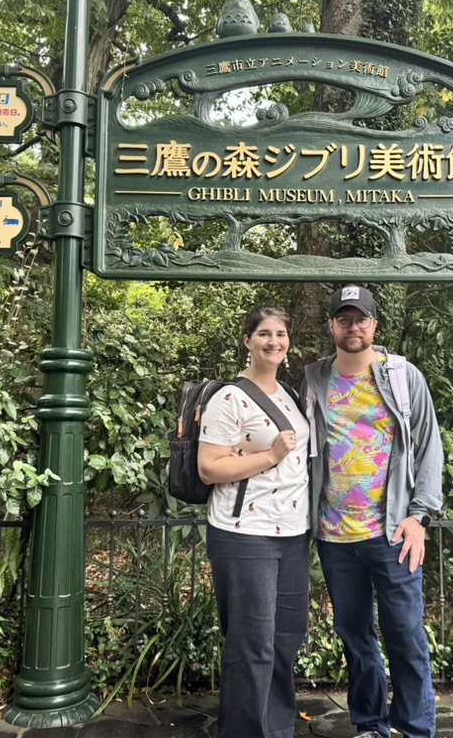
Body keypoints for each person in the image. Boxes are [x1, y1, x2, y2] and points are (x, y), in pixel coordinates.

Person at [302, 285, 444, 738]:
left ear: (374, 325)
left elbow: (428, 448)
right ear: (332, 326)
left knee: (405, 636)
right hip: (334, 536)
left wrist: (419, 517)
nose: (353, 326)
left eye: (360, 318)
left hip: (392, 535)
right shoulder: (314, 379)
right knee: (354, 636)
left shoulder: (402, 376)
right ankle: (370, 724)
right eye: (344, 318)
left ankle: (415, 729)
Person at [198, 305, 310, 738]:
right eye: (264, 333)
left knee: (286, 636)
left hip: (292, 534)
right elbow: (210, 468)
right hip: (245, 535)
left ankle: (277, 728)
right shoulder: (229, 398)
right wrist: (270, 456)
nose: (273, 341)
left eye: (280, 333)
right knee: (252, 644)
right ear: (247, 340)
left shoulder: (290, 395)